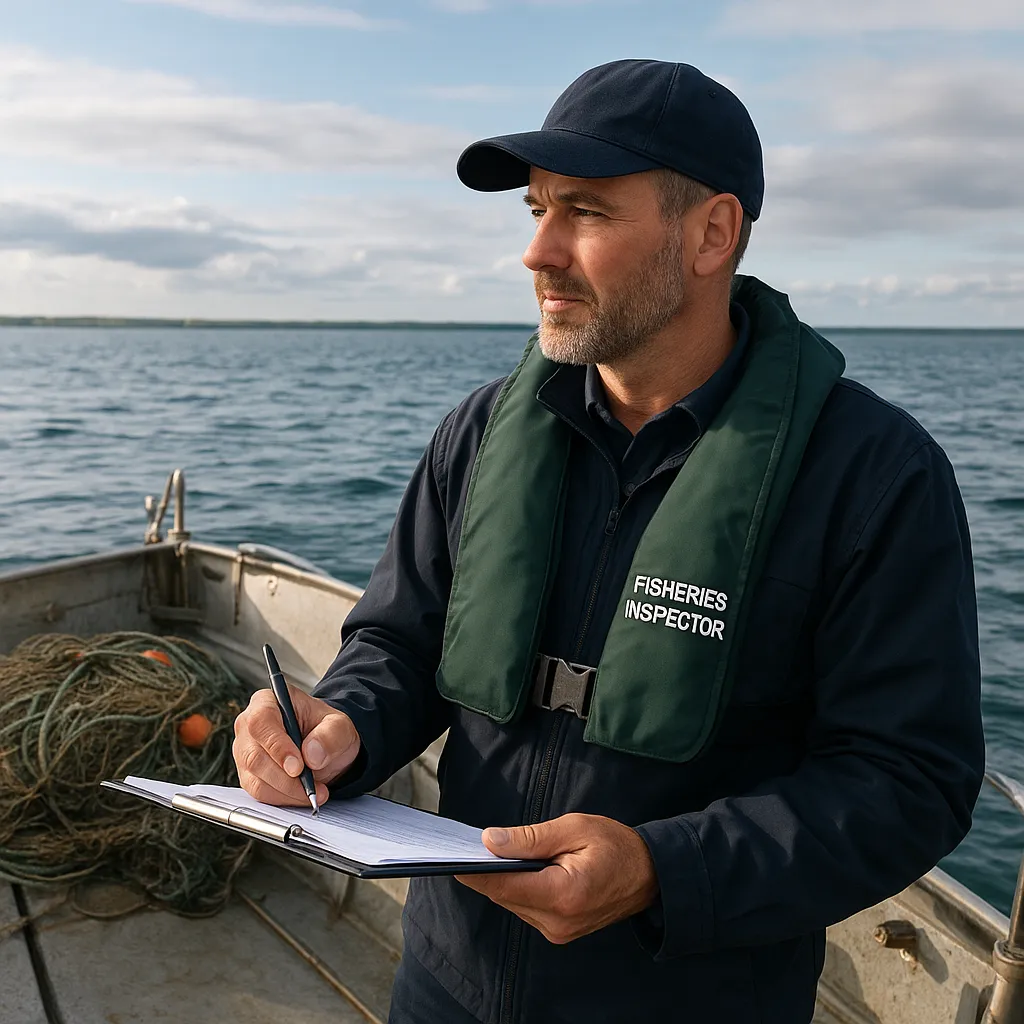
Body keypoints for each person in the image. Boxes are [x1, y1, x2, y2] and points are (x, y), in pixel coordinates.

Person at [232, 60, 985, 1024]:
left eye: (584, 213)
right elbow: (399, 644)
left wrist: (662, 870)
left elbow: (909, 780)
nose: (538, 253)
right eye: (535, 211)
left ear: (713, 232)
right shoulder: (478, 431)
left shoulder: (874, 476)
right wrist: (337, 726)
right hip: (445, 978)